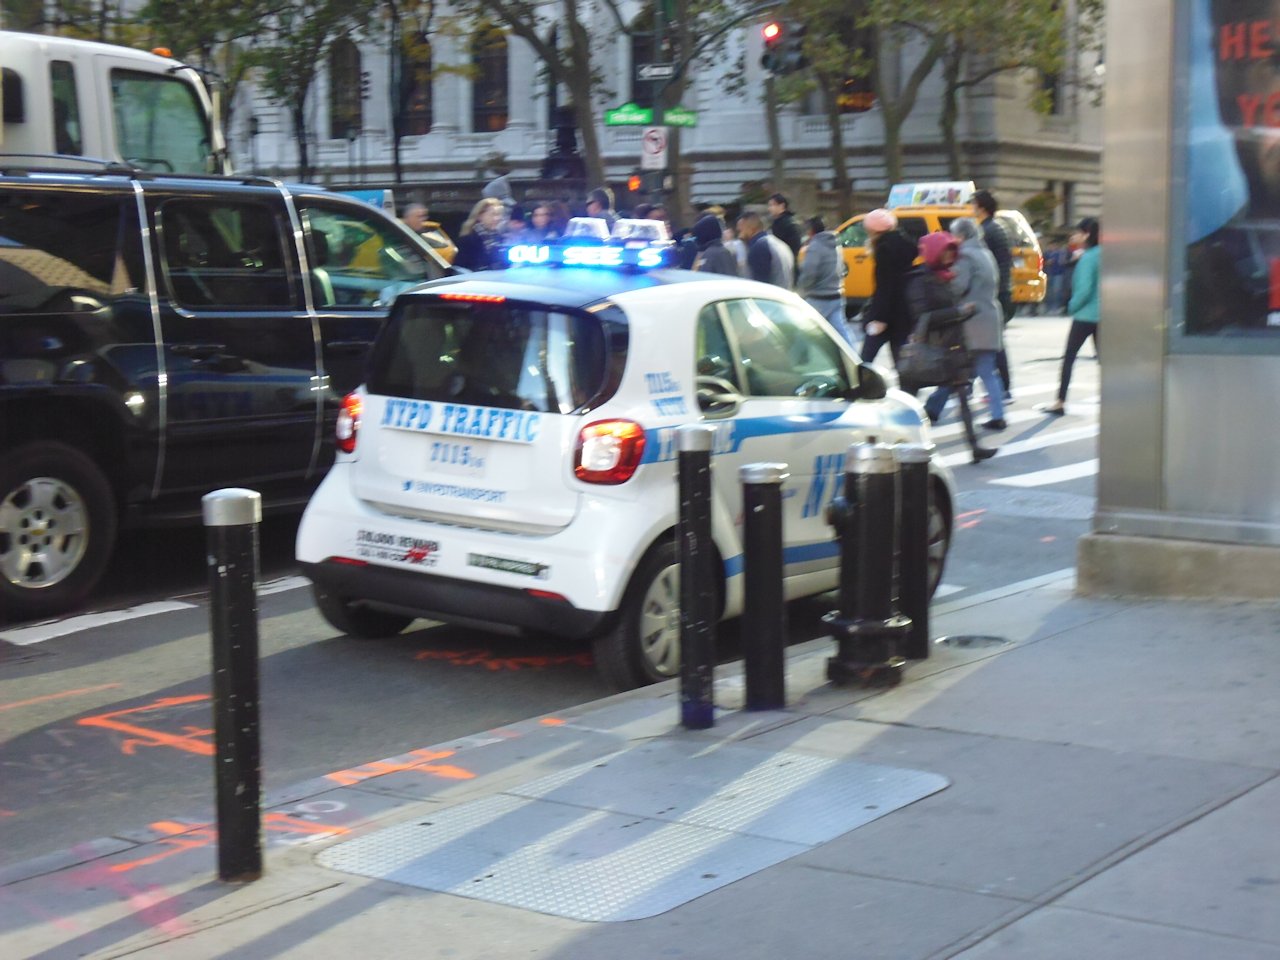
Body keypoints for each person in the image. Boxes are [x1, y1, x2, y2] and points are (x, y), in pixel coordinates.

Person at [905, 232, 996, 463]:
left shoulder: (945, 277)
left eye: (951, 252)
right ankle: (904, 446)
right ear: (934, 252)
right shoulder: (919, 280)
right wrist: (959, 312)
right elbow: (923, 317)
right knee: (907, 402)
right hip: (928, 350)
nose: (949, 256)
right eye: (945, 251)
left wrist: (965, 314)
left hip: (952, 348)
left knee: (963, 397)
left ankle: (974, 446)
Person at [923, 218, 1005, 430]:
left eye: (954, 235)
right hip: (990, 316)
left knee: (955, 367)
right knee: (985, 370)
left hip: (972, 319)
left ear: (960, 236)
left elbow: (958, 287)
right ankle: (998, 414)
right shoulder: (985, 253)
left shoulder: (965, 256)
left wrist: (943, 280)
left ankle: (932, 408)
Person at [1042, 217, 1101, 416]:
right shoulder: (1104, 254)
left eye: (1078, 232)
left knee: (1069, 358)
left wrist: (1071, 306)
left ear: (1086, 234)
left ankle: (1060, 401)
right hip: (1103, 316)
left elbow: (1084, 289)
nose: (1074, 236)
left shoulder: (1088, 258)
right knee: (1105, 360)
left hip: (1085, 316)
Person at [859, 207, 917, 366]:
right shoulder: (906, 246)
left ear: (873, 231)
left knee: (864, 362)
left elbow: (885, 287)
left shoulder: (884, 250)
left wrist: (879, 318)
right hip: (904, 313)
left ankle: (860, 382)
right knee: (901, 363)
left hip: (885, 316)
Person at [971, 189, 1014, 399]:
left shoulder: (987, 231)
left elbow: (984, 265)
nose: (971, 208)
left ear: (981, 207)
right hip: (1003, 290)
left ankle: (1002, 388)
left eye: (973, 204)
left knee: (992, 343)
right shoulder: (997, 227)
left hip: (994, 292)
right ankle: (1000, 387)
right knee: (994, 342)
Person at [796, 215, 854, 345]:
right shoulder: (835, 243)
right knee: (841, 332)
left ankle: (794, 356)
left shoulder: (815, 246)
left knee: (802, 331)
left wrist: (801, 289)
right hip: (836, 295)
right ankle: (853, 355)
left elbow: (809, 273)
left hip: (819, 297)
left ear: (810, 231)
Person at [737, 211, 793, 288]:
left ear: (751, 228)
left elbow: (760, 285)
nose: (739, 236)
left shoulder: (759, 248)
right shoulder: (778, 243)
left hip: (770, 294)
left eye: (740, 230)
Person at [453, 197, 508, 271]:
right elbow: (460, 266)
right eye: (493, 214)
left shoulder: (499, 237)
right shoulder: (468, 239)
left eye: (499, 215)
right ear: (480, 216)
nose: (498, 218)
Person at [767, 192, 803, 260]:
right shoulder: (788, 220)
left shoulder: (783, 223)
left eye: (772, 205)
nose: (769, 208)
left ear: (782, 206)